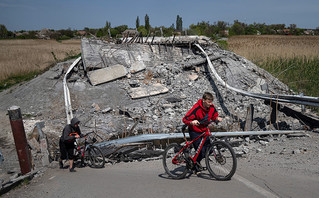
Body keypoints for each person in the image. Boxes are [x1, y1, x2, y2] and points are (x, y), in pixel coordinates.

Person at [182, 92, 222, 174]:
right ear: (204, 100)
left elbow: (214, 115)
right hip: (195, 131)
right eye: (208, 102)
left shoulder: (211, 107)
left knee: (209, 149)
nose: (210, 104)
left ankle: (195, 162)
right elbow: (185, 119)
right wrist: (192, 122)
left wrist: (217, 118)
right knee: (200, 151)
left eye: (211, 102)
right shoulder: (196, 108)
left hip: (204, 130)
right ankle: (195, 167)